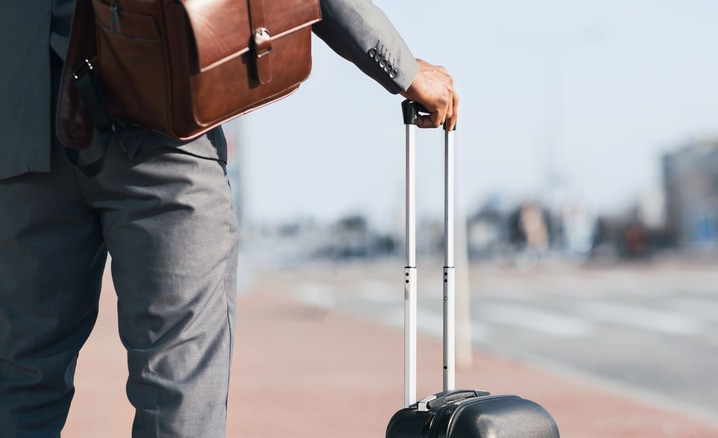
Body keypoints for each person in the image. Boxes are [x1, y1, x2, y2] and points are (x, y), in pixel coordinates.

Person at [0, 0, 457, 436]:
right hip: (157, 122)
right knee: (177, 386)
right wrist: (404, 71)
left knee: (21, 382)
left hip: (24, 130)